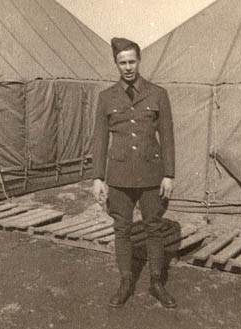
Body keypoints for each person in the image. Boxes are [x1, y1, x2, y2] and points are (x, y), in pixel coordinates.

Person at [92, 37, 176, 308]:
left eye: (132, 61)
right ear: (116, 64)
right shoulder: (106, 98)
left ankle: (156, 282)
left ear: (139, 61)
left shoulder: (157, 93)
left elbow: (167, 136)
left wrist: (169, 174)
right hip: (118, 177)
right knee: (122, 229)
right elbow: (100, 140)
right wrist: (97, 178)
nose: (127, 67)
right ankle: (126, 281)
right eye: (122, 62)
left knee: (153, 228)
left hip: (152, 174)